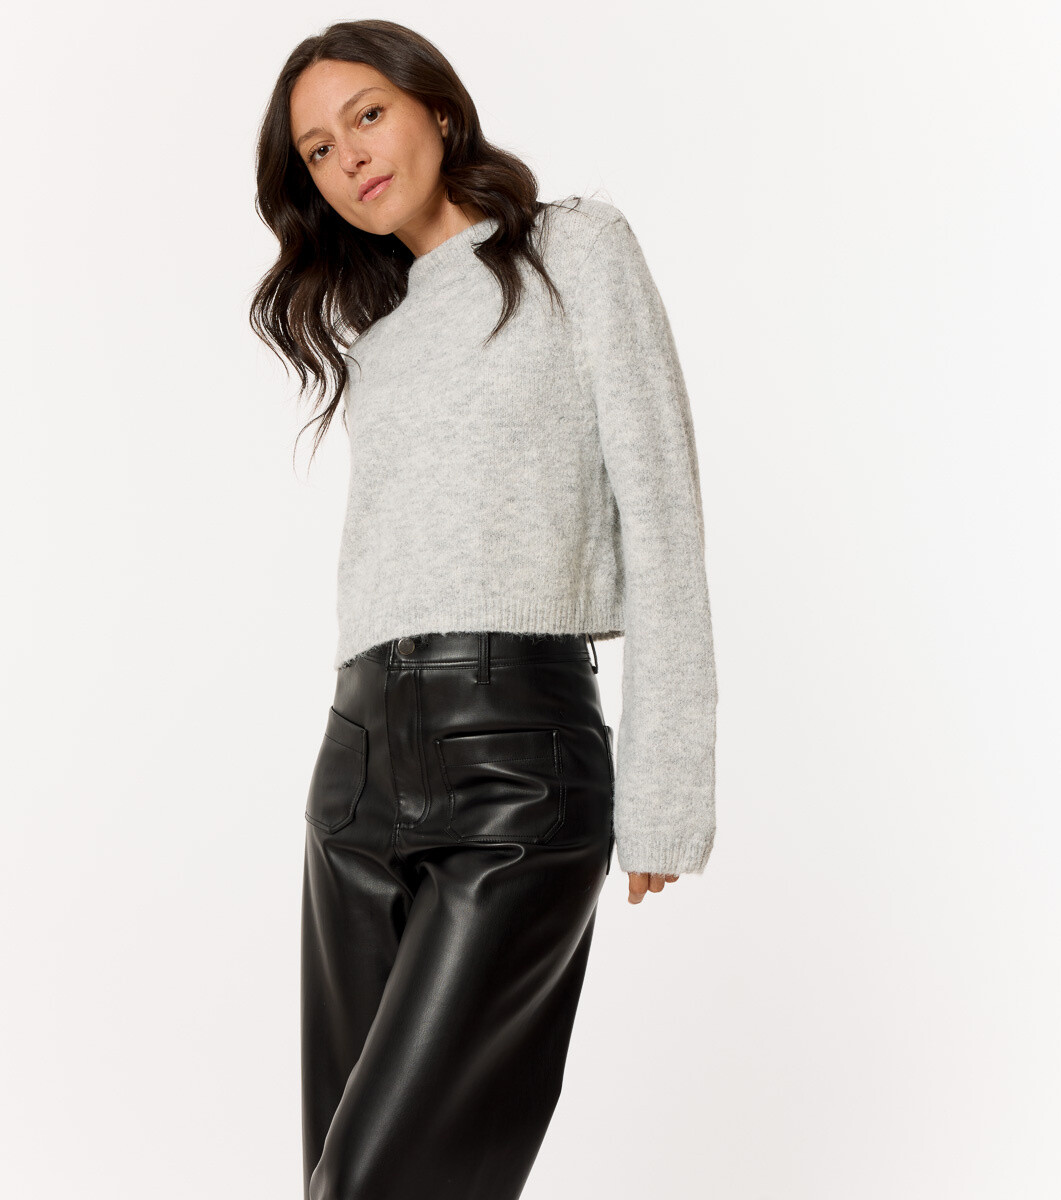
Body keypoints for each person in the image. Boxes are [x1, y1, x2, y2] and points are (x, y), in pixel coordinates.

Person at [250, 18, 719, 1200]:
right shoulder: (381, 340)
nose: (349, 157)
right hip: (354, 773)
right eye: (317, 150)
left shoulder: (573, 250)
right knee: (337, 1178)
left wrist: (664, 793)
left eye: (366, 115)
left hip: (516, 762)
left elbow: (663, 512)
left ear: (438, 107)